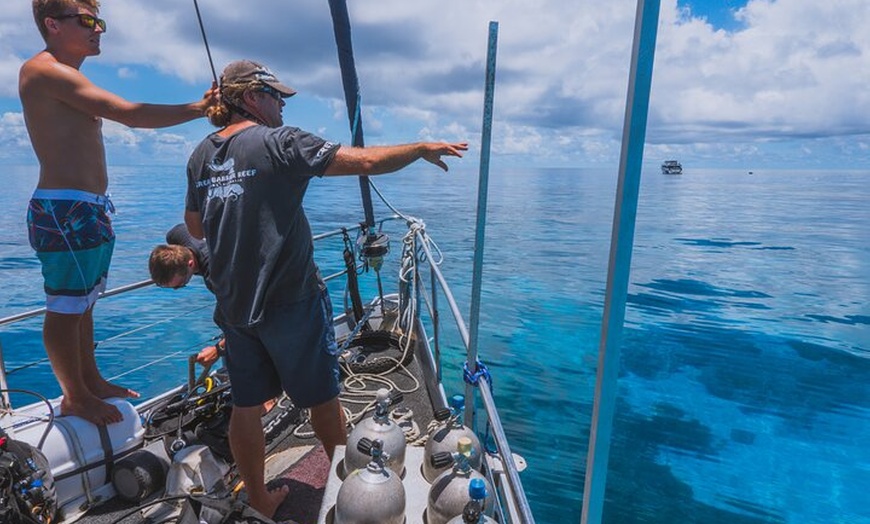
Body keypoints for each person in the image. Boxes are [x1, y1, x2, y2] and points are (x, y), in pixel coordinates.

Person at [184, 59, 468, 517]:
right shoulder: (281, 141)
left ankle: (258, 499)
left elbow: (194, 224)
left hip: (235, 305)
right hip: (290, 299)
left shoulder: (201, 153)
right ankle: (349, 500)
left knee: (246, 406)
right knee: (322, 398)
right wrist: (418, 148)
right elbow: (366, 161)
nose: (281, 105)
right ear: (252, 97)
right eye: (277, 96)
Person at [20, 0, 217, 426]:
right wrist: (200, 109)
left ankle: (90, 381)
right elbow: (129, 115)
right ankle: (74, 396)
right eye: (87, 20)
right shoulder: (43, 70)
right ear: (52, 24)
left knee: (84, 304)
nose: (98, 29)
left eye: (99, 21)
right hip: (64, 209)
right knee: (64, 308)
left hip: (85, 208)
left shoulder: (68, 76)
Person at [149, 223, 226, 365]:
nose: (176, 289)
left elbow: (243, 319)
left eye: (180, 285)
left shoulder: (215, 274)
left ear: (190, 264)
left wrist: (219, 349)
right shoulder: (177, 235)